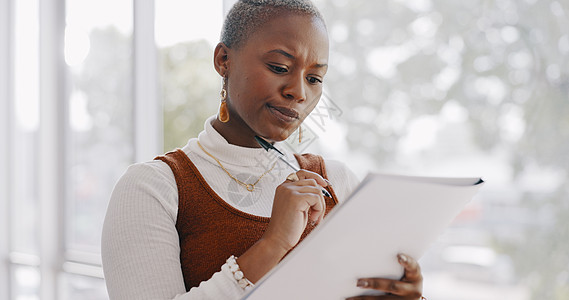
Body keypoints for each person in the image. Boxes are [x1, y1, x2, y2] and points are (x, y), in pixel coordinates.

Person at [101, 0, 425, 299]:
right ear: (223, 60)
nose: (298, 92)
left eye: (314, 78)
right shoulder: (153, 188)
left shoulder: (337, 182)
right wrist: (272, 245)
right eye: (280, 68)